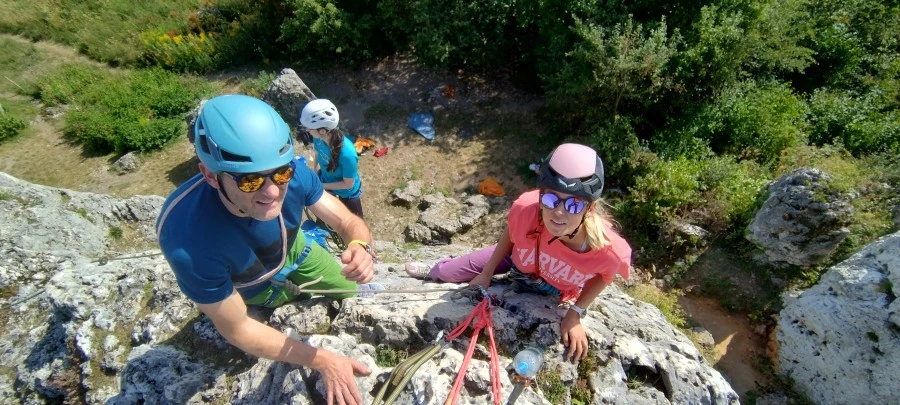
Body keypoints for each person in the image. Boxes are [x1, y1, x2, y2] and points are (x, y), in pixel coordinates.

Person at [156, 94, 380, 405]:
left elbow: (345, 220)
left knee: (350, 290)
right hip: (251, 288)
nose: (272, 191)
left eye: (281, 173)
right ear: (210, 175)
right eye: (249, 182)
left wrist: (359, 245)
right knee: (272, 313)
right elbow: (238, 328)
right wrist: (323, 360)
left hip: (298, 253)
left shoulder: (294, 172)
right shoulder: (186, 239)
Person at [404, 143, 631, 362]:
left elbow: (605, 277)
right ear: (541, 196)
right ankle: (436, 269)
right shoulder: (526, 208)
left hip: (551, 287)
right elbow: (512, 234)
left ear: (589, 209)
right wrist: (487, 271)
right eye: (551, 199)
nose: (559, 212)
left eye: (573, 205)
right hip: (517, 259)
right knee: (448, 273)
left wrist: (575, 313)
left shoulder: (609, 251)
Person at [299, 99, 365, 219]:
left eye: (309, 128)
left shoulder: (348, 154)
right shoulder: (318, 138)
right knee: (327, 220)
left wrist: (321, 186)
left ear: (323, 131)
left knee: (356, 226)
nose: (307, 130)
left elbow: (347, 184)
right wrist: (316, 174)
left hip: (347, 192)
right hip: (326, 181)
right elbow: (318, 154)